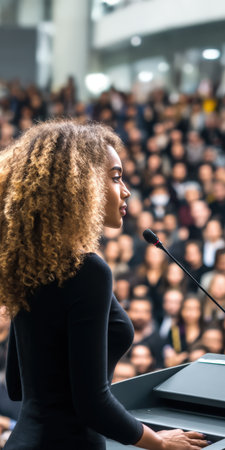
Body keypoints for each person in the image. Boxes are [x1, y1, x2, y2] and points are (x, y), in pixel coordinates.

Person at [0, 120, 208, 450]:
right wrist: (160, 442)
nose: (125, 190)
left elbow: (17, 386)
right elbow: (92, 403)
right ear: (80, 187)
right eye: (114, 177)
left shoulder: (33, 265)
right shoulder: (87, 270)